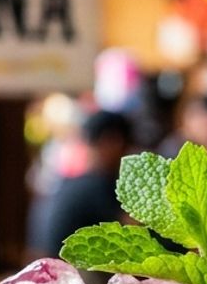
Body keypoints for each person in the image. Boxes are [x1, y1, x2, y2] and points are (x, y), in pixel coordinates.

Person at [32, 110, 134, 259]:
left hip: (43, 266)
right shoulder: (98, 186)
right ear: (113, 141)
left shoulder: (66, 183)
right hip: (68, 272)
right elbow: (131, 232)